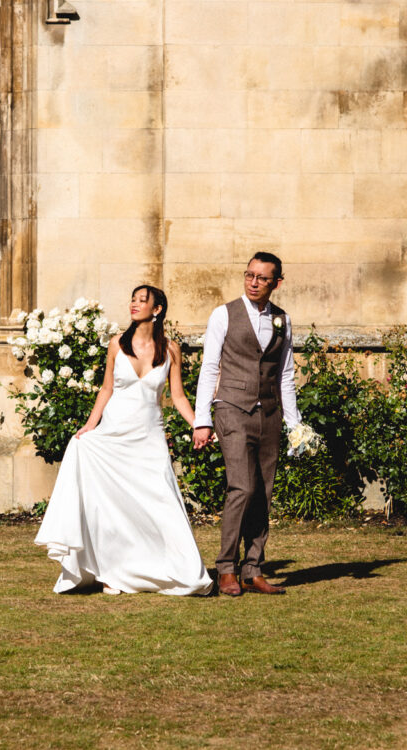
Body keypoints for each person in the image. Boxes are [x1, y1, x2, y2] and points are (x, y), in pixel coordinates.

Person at [34, 285, 213, 596]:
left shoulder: (171, 350)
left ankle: (177, 569)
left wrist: (200, 425)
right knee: (110, 506)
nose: (134, 304)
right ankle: (109, 573)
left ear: (157, 310)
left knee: (161, 503)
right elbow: (106, 390)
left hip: (148, 437)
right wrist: (89, 426)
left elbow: (178, 396)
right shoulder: (117, 343)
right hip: (113, 435)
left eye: (142, 300)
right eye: (132, 298)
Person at [192, 252, 300, 597]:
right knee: (242, 487)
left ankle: (253, 569)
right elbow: (209, 368)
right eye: (249, 275)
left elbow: (285, 374)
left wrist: (294, 424)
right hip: (231, 409)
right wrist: (202, 420)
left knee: (263, 493)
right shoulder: (223, 314)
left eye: (262, 278)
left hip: (269, 414)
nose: (253, 282)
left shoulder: (282, 320)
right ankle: (226, 568)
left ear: (276, 283)